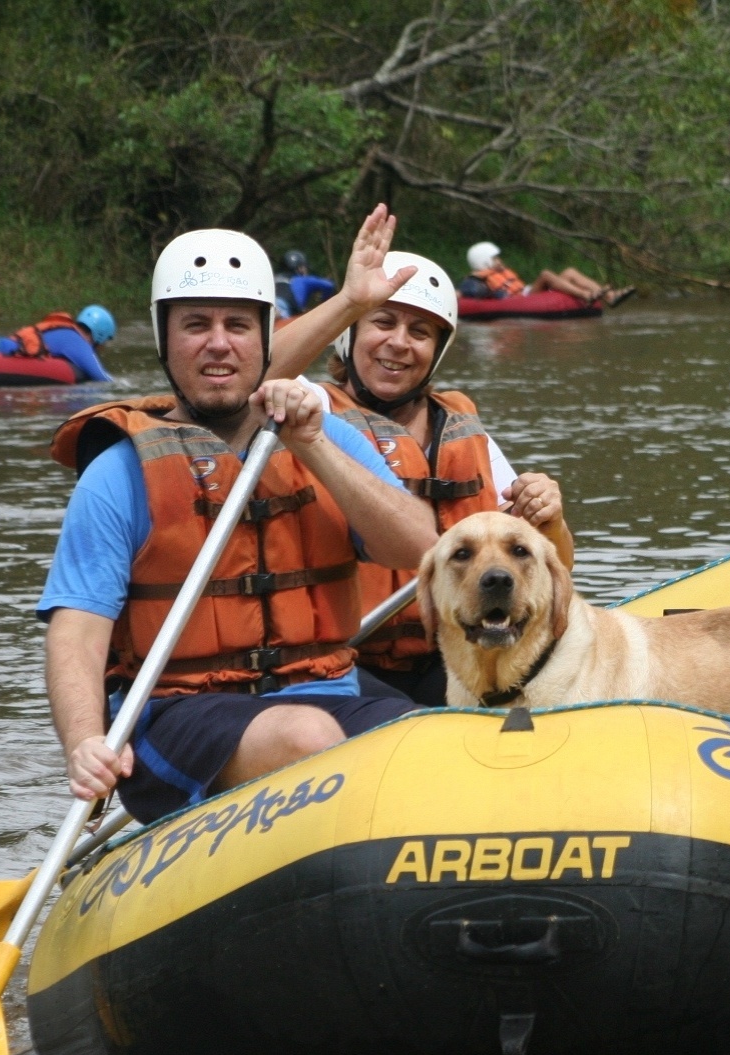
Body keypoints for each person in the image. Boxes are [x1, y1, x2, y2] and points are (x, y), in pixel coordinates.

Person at [42, 224, 441, 823]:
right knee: (305, 737)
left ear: (265, 337)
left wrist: (314, 448)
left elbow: (419, 546)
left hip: (327, 688)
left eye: (237, 325)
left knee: (438, 742)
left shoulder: (322, 434)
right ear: (165, 340)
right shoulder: (120, 471)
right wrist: (83, 743)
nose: (219, 344)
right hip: (180, 713)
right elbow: (76, 631)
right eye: (196, 325)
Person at [268, 211, 574, 705]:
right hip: (345, 658)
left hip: (459, 648)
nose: (399, 343)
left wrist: (551, 518)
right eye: (383, 322)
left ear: (436, 351)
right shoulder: (310, 407)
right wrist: (348, 302)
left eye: (420, 332)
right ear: (348, 336)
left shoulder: (461, 426)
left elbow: (554, 565)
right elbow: (246, 375)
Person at [459, 241, 634, 307]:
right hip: (518, 298)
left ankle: (610, 296)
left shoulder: (497, 271)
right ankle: (586, 295)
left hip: (525, 291)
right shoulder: (477, 278)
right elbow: (464, 292)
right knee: (546, 274)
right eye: (495, 258)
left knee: (570, 272)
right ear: (484, 261)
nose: (499, 261)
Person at [274, 249, 336, 319]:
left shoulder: (273, 278)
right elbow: (328, 285)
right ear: (300, 268)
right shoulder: (303, 280)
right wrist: (323, 302)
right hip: (283, 309)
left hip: (267, 306)